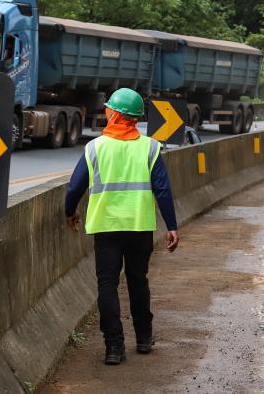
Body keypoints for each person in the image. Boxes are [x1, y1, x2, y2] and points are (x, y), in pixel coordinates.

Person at [64, 87, 180, 365]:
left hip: (106, 227)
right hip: (139, 226)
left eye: (109, 109)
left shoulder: (95, 147)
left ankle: (114, 348)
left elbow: (74, 187)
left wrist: (70, 212)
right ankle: (143, 338)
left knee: (107, 285)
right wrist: (172, 226)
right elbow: (162, 190)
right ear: (135, 118)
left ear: (114, 114)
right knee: (138, 281)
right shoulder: (150, 147)